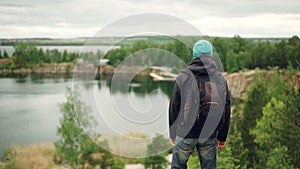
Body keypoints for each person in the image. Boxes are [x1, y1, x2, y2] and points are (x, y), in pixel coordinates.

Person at [169, 40, 231, 169]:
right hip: (209, 133)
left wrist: (173, 133)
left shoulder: (183, 76)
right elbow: (226, 108)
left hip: (186, 132)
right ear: (211, 55)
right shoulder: (220, 78)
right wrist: (222, 136)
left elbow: (174, 106)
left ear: (194, 55)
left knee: (178, 166)